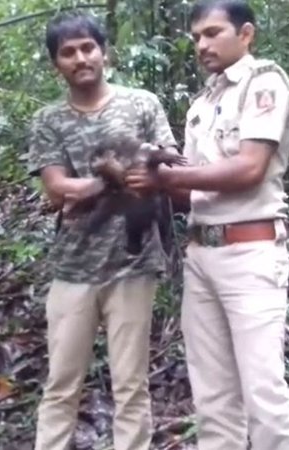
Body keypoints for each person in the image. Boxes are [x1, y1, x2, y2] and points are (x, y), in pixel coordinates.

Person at [125, 1, 289, 449]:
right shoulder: (202, 103)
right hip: (202, 253)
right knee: (213, 396)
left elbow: (249, 169)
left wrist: (167, 177)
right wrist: (144, 174)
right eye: (196, 38)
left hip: (250, 251)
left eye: (212, 33)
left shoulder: (263, 82)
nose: (202, 44)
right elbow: (191, 193)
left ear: (245, 34)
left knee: (263, 392)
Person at [24, 10, 179, 450]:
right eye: (68, 52)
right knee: (61, 384)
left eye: (87, 48)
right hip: (73, 267)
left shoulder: (142, 103)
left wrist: (104, 183)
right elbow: (56, 190)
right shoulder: (49, 120)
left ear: (104, 52)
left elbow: (166, 161)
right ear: (56, 63)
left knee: (131, 384)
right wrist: (111, 179)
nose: (80, 58)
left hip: (133, 263)